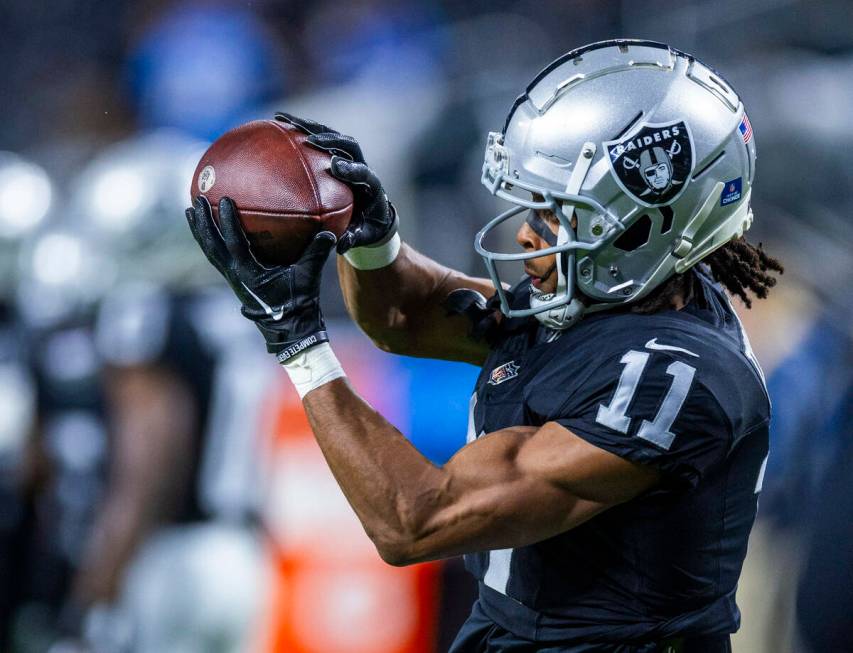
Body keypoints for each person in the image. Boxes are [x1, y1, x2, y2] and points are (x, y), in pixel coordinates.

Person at [186, 40, 783, 652]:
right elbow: (404, 318)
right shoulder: (617, 295)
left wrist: (296, 340)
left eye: (555, 214)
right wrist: (369, 236)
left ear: (639, 227)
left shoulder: (673, 379)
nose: (526, 233)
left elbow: (414, 520)